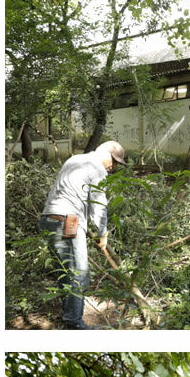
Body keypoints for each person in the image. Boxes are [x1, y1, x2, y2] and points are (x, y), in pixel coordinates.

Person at [38, 140, 127, 330]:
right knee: (79, 274)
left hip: (49, 219)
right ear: (105, 153)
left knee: (66, 272)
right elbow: (98, 205)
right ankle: (74, 324)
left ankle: (69, 316)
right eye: (115, 160)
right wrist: (103, 233)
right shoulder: (97, 168)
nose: (114, 166)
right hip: (67, 222)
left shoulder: (76, 159)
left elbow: (75, 195)